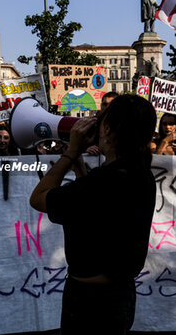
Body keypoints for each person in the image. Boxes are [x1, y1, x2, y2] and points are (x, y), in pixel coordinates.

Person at [29, 94, 157, 334]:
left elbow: (38, 198)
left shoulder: (103, 182)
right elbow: (97, 212)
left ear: (107, 128)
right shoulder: (142, 176)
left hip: (90, 303)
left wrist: (70, 153)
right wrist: (81, 172)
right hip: (121, 296)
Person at [86, 91, 119, 155]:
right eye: (105, 104)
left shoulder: (124, 125)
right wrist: (87, 149)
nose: (107, 107)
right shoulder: (91, 124)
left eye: (111, 104)